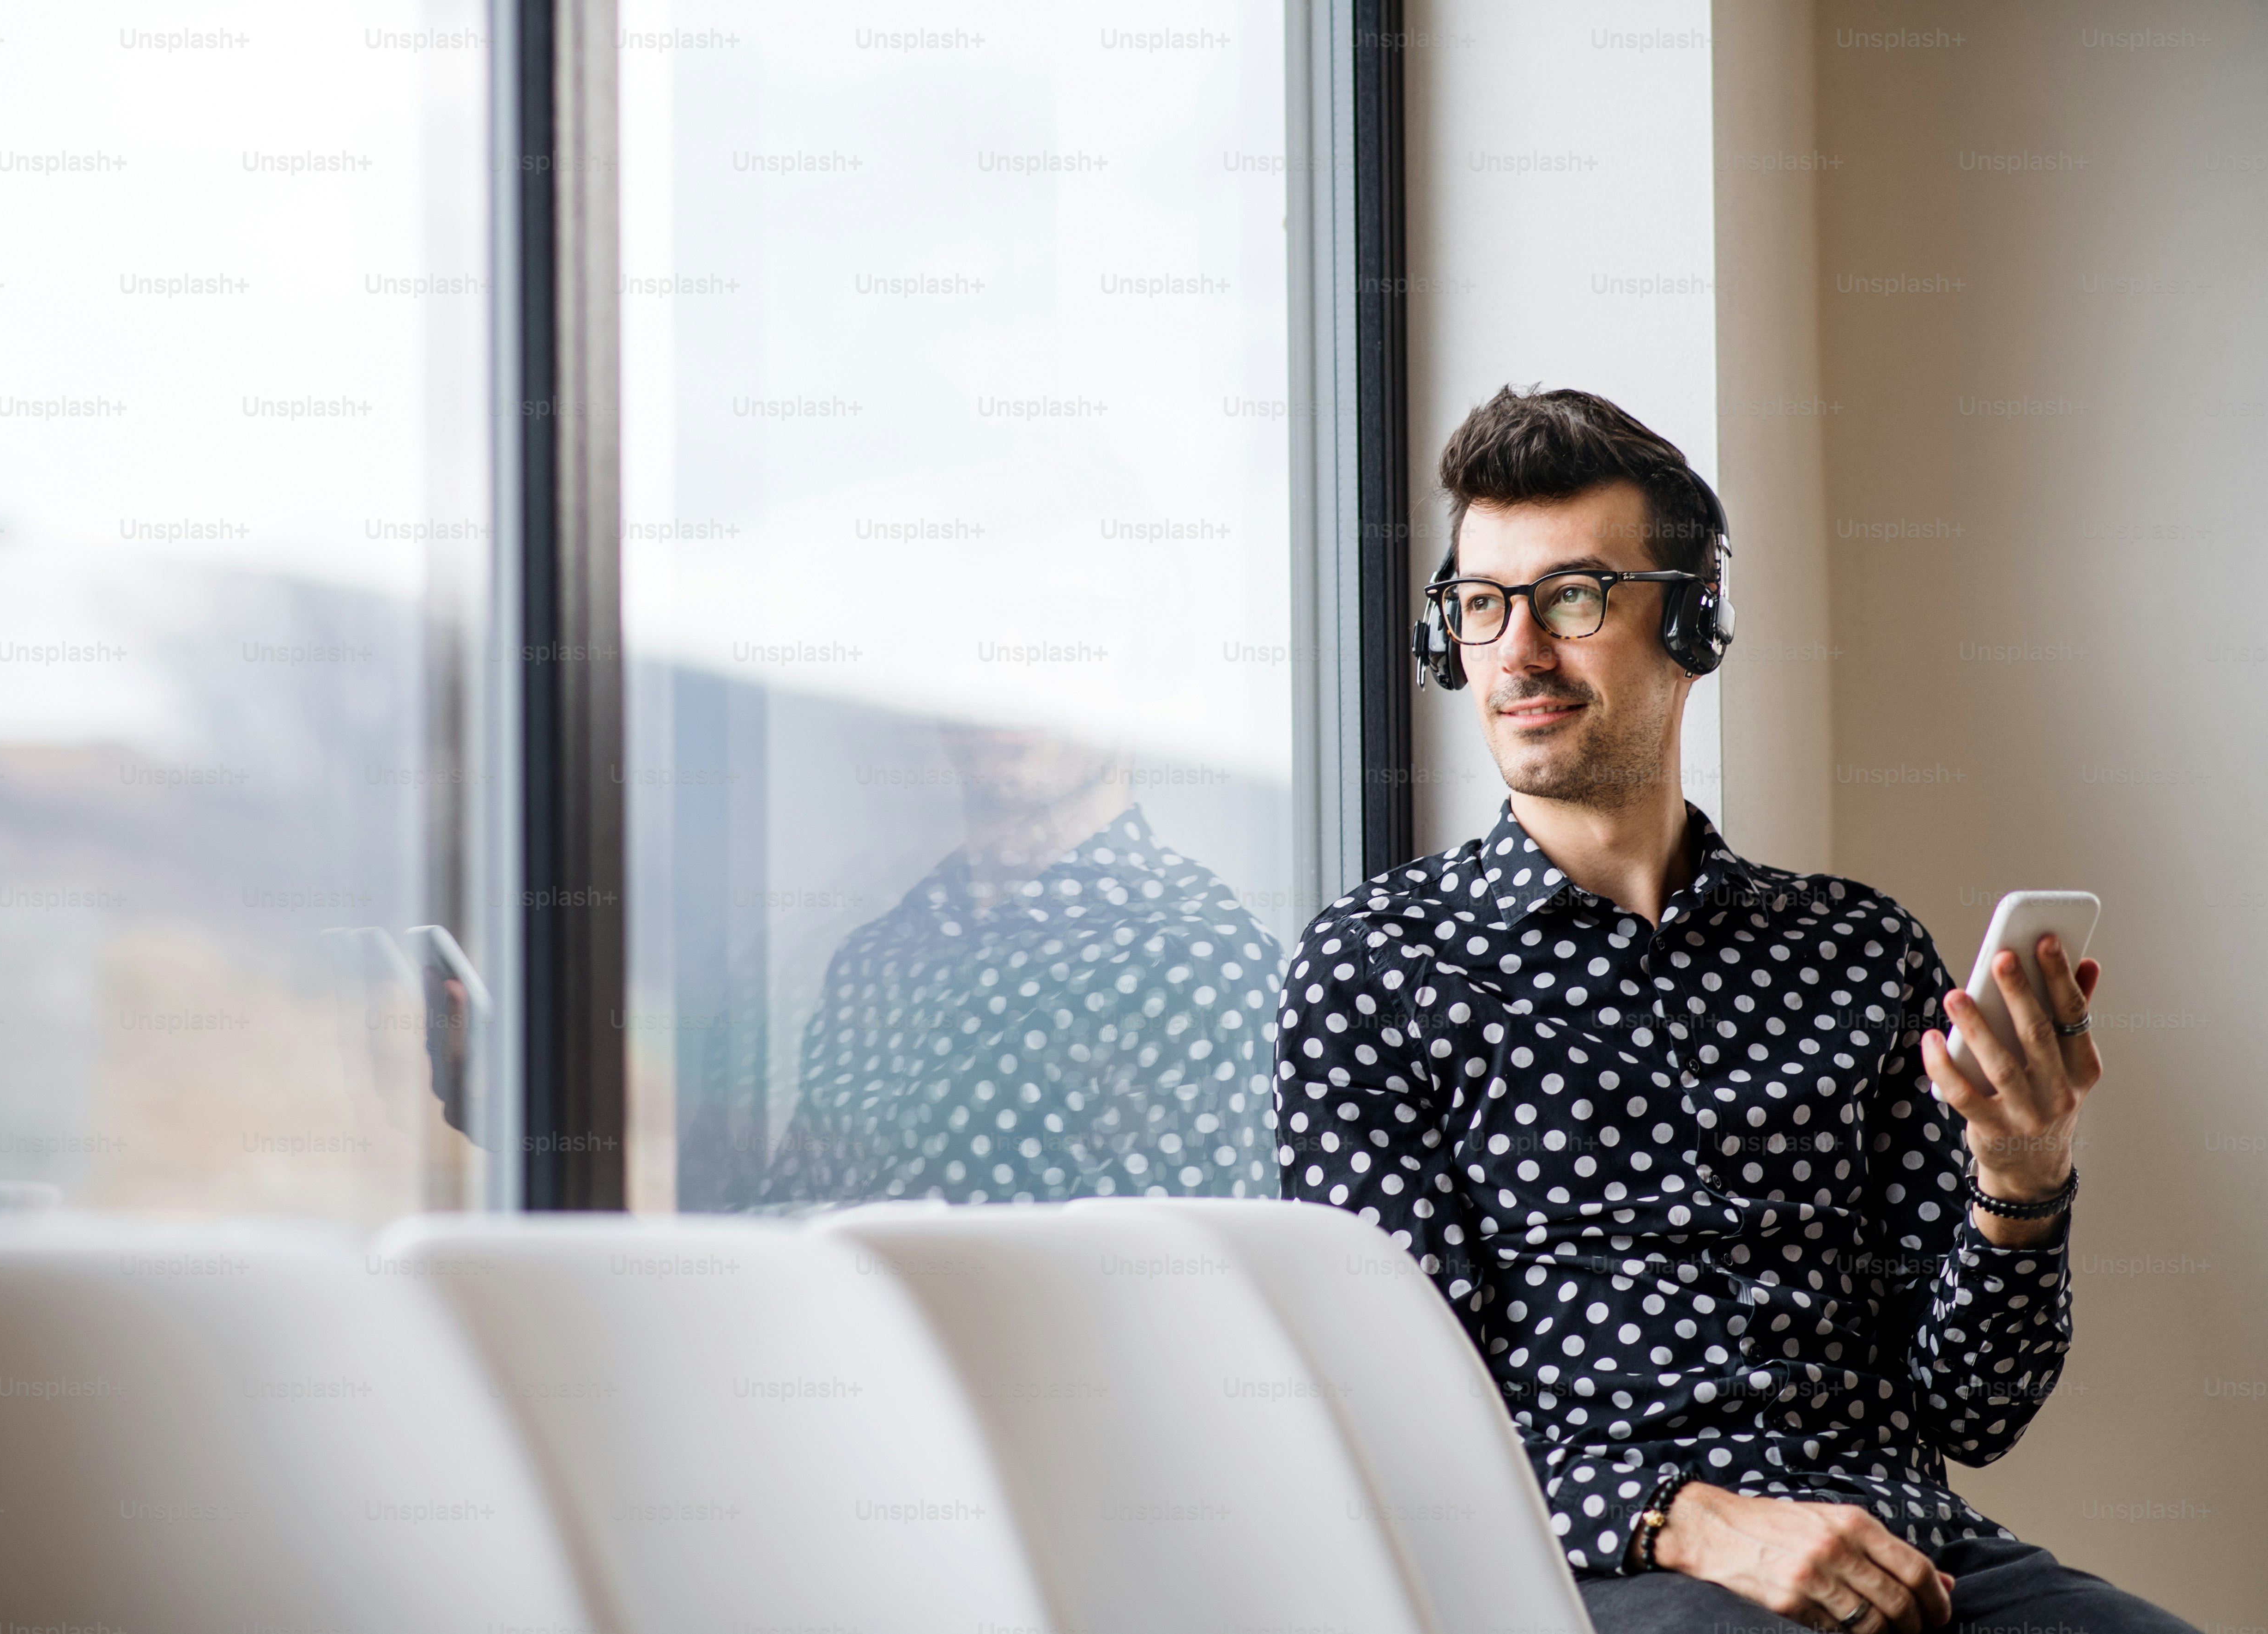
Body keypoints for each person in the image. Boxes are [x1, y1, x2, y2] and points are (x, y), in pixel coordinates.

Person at [1275, 387, 2195, 1634]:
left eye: (1573, 597)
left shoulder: (1858, 950)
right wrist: (1699, 1518)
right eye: (1482, 606)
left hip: (1908, 1551)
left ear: (1693, 621)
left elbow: (1975, 1410)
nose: (1517, 654)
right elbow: (1393, 1418)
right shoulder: (1375, 968)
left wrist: (2022, 1176)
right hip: (1591, 1572)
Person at [759, 721, 1281, 1206]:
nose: (1009, 670)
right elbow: (791, 1220)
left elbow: (1161, 1283)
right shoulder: (871, 957)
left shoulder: (1198, 959)